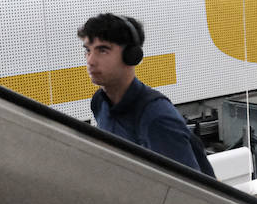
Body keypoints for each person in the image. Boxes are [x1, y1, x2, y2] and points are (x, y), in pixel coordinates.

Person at [79, 13, 213, 176]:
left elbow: (190, 190)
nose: (90, 61)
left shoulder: (156, 117)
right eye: (87, 50)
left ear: (131, 56)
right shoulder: (100, 102)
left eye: (103, 50)